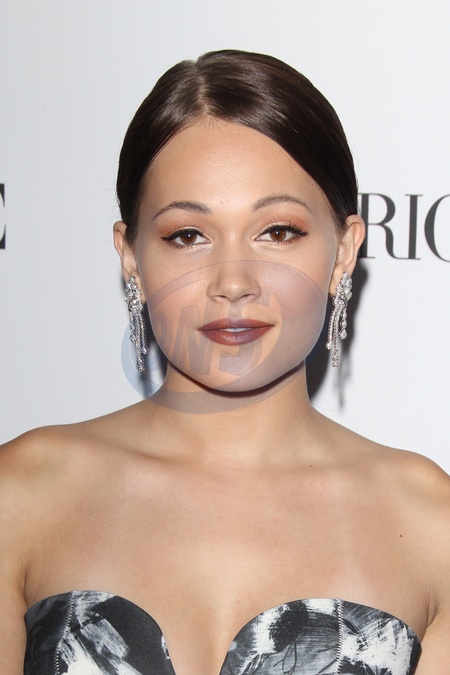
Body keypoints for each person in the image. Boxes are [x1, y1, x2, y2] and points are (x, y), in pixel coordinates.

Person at [0, 49, 448, 675]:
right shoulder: (22, 494)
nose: (232, 282)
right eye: (187, 235)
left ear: (345, 251)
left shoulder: (430, 525)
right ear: (130, 256)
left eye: (278, 232)